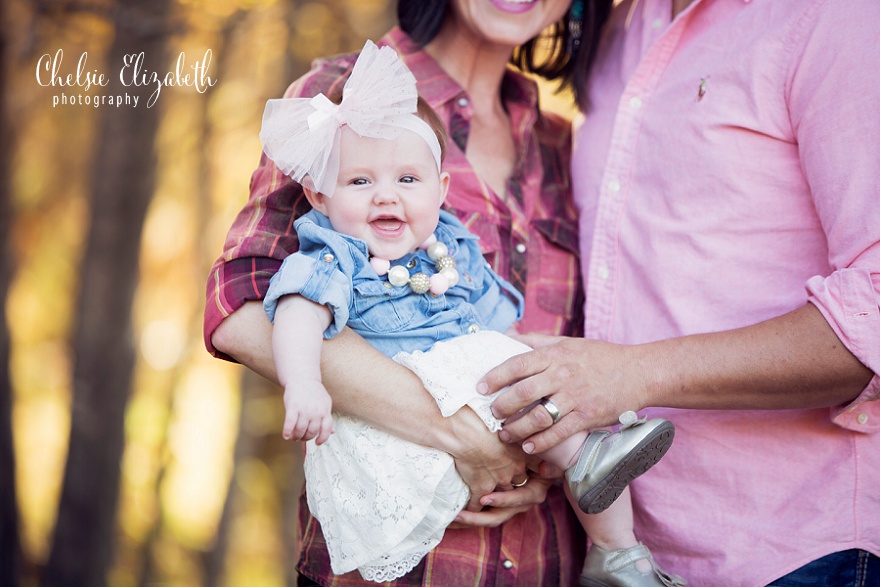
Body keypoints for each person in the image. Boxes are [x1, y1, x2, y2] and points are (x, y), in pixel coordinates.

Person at [205, 1, 623, 585]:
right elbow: (241, 308)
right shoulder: (343, 100)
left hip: (544, 560)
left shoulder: (560, 139)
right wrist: (452, 427)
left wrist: (544, 460)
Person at [480, 0, 880, 585]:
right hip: (625, 555)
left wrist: (632, 374)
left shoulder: (836, 17)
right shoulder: (614, 34)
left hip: (795, 554)